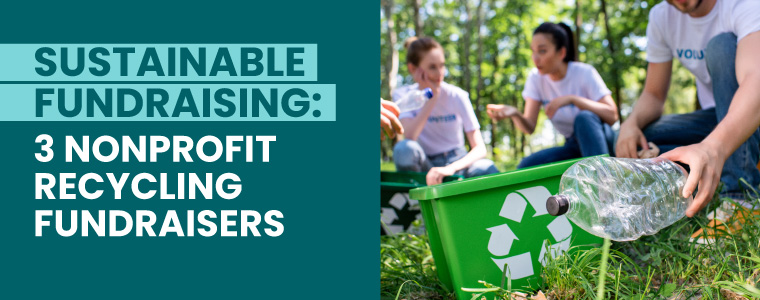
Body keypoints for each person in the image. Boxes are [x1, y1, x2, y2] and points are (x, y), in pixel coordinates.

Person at [614, 0, 760, 241]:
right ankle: (703, 176)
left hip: (752, 107)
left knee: (721, 47)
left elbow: (755, 82)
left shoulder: (742, 3)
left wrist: (713, 148)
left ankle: (741, 198)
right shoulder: (662, 17)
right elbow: (653, 94)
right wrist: (630, 124)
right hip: (717, 116)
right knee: (641, 138)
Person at [487, 22, 619, 169]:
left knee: (584, 118)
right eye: (533, 51)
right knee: (527, 165)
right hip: (573, 145)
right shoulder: (535, 79)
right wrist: (515, 114)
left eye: (542, 51)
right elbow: (529, 127)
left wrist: (573, 100)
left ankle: (605, 182)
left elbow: (612, 115)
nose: (535, 58)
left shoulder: (584, 72)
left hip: (602, 140)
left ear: (561, 53)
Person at [393, 37, 498, 185]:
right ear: (413, 69)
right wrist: (431, 99)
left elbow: (480, 149)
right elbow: (410, 136)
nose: (440, 73)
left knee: (486, 167)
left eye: (442, 65)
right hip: (426, 166)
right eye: (432, 67)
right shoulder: (404, 95)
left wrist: (450, 169)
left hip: (457, 163)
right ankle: (416, 203)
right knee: (403, 149)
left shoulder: (457, 95)